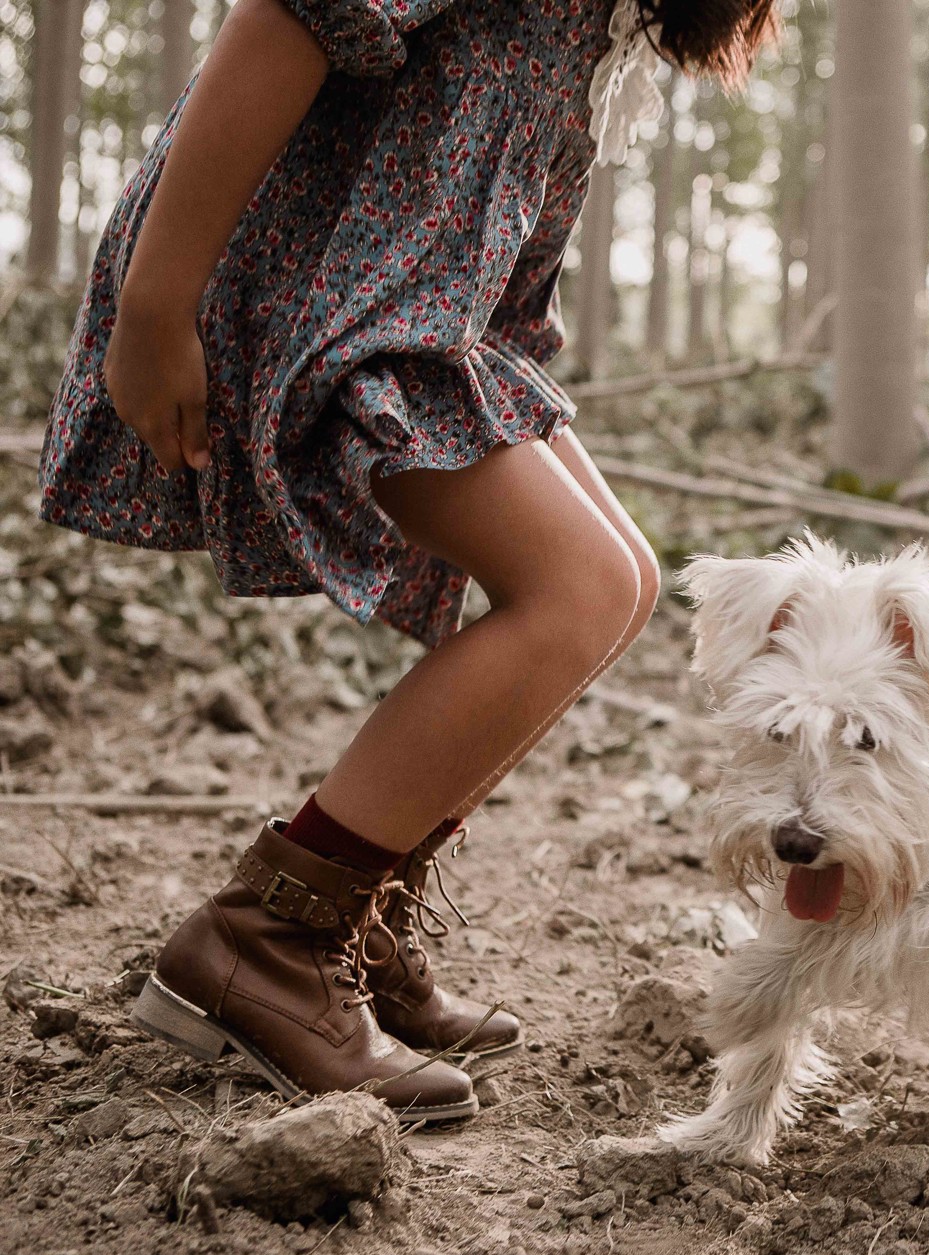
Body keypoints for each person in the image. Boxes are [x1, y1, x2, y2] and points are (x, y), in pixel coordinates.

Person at [38, 0, 778, 1122]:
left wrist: (507, 356)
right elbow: (286, 17)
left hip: (422, 309)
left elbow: (504, 166)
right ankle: (269, 937)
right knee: (571, 587)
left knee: (618, 582)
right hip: (316, 280)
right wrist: (157, 300)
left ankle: (354, 906)